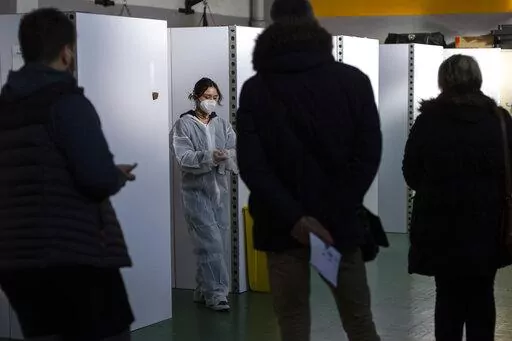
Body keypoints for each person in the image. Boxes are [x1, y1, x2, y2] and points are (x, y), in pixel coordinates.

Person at [236, 0, 382, 340]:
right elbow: (368, 154)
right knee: (359, 321)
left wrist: (297, 220)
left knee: (292, 322)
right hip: (339, 228)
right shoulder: (353, 82)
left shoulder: (256, 90)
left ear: (271, 26)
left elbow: (253, 166)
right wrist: (331, 213)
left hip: (281, 227)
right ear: (314, 23)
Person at [0, 8, 136, 341]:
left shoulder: (5, 106)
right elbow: (97, 178)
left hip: (15, 259)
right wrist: (115, 175)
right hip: (75, 255)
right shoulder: (67, 103)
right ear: (67, 52)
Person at [403, 55, 512, 341]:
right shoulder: (499, 120)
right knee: (482, 297)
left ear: (443, 80)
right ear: (478, 80)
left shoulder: (429, 121)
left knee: (448, 299)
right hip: (488, 226)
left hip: (441, 227)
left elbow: (411, 171)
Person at [171, 77, 237, 312]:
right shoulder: (184, 125)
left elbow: (234, 150)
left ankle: (201, 289)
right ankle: (217, 294)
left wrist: (226, 155)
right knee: (211, 245)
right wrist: (209, 157)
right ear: (196, 97)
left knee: (216, 243)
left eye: (214, 97)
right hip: (196, 194)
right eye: (207, 97)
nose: (211, 101)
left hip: (219, 193)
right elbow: (184, 158)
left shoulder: (222, 124)